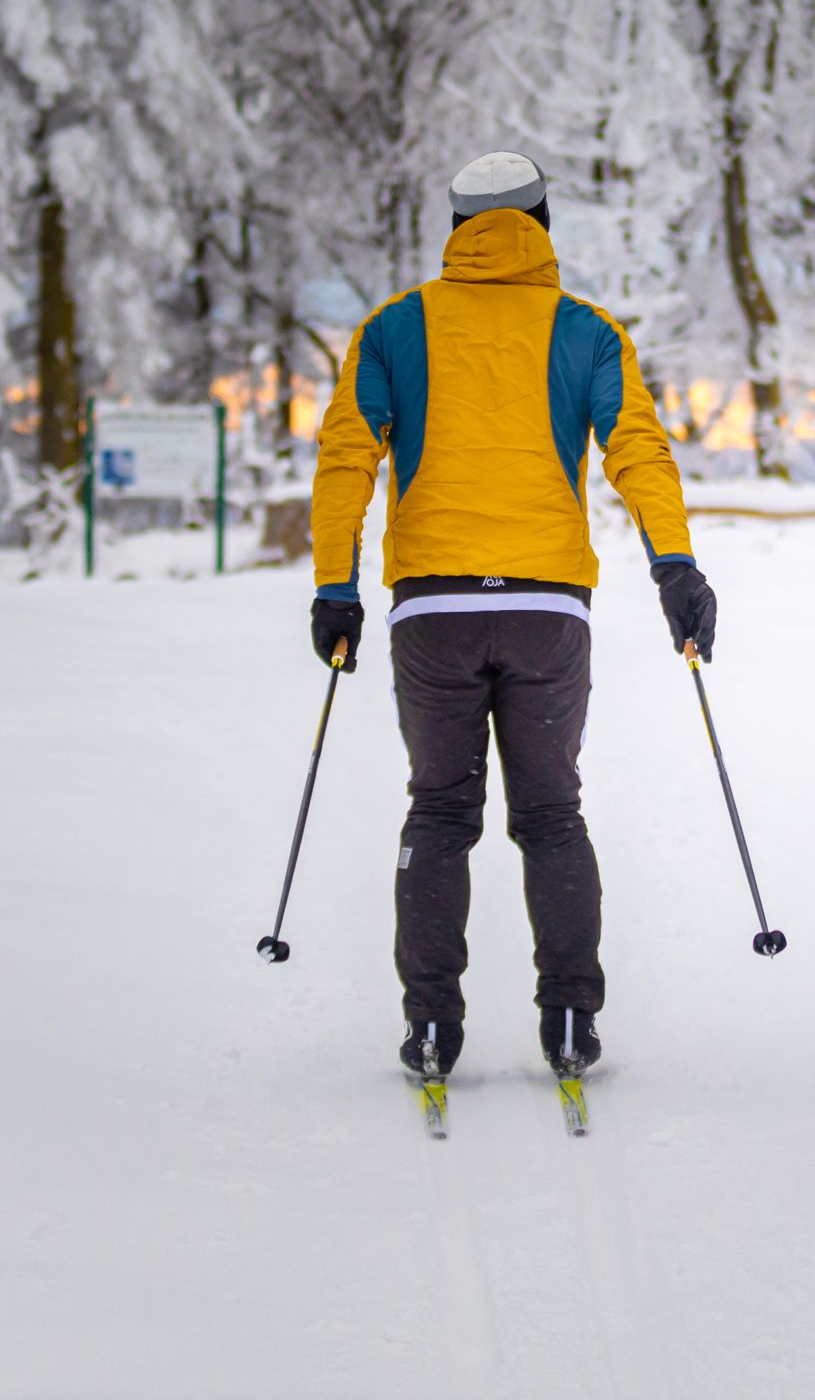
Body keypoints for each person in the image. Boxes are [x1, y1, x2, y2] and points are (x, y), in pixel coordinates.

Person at [306, 152, 717, 1088]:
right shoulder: (587, 331)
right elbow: (638, 453)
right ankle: (570, 1016)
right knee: (551, 814)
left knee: (441, 813)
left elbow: (345, 461)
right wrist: (674, 566)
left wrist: (337, 586)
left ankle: (429, 1030)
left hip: (434, 614)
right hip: (545, 613)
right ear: (543, 221)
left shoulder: (391, 328)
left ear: (457, 228)